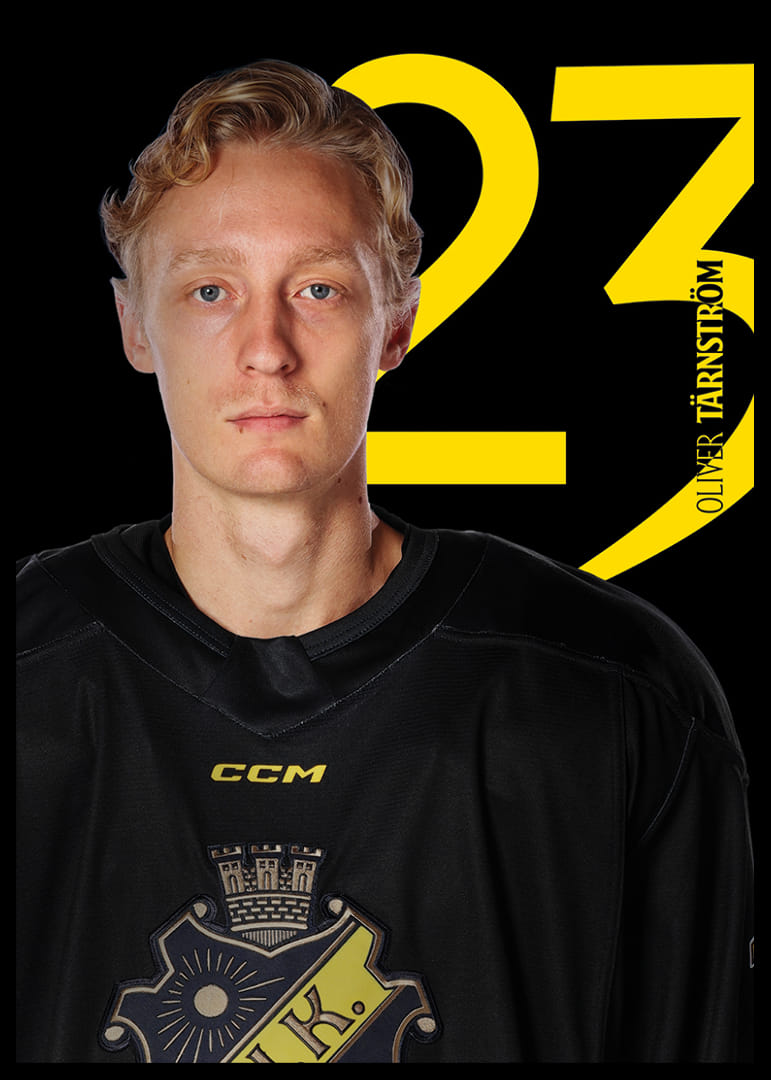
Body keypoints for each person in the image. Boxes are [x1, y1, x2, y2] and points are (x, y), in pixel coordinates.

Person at [16, 60, 752, 1064]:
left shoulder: (611, 692)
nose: (266, 347)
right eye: (210, 290)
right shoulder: (32, 674)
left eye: (318, 288)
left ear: (396, 321)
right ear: (134, 326)